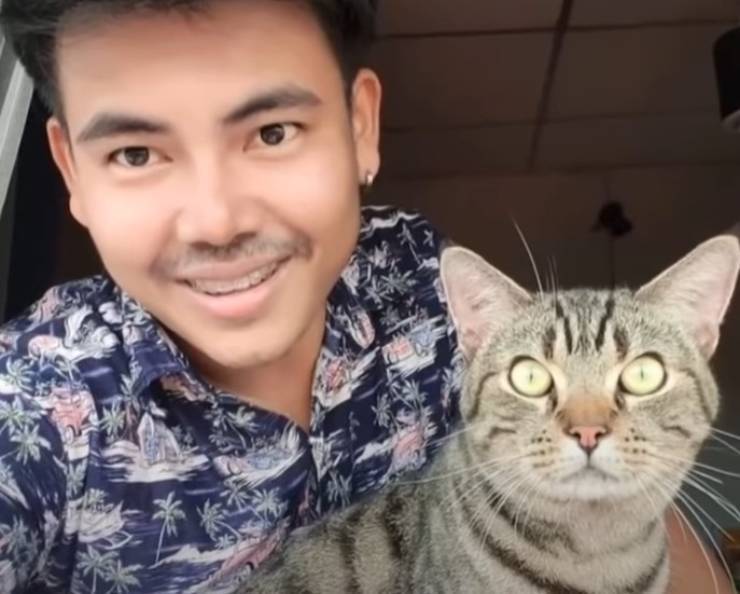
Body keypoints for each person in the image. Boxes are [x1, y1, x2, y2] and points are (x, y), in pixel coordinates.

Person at [0, 1, 731, 593]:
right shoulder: (35, 404)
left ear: (361, 127)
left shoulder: (414, 269)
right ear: (70, 170)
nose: (217, 223)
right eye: (134, 153)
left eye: (273, 132)